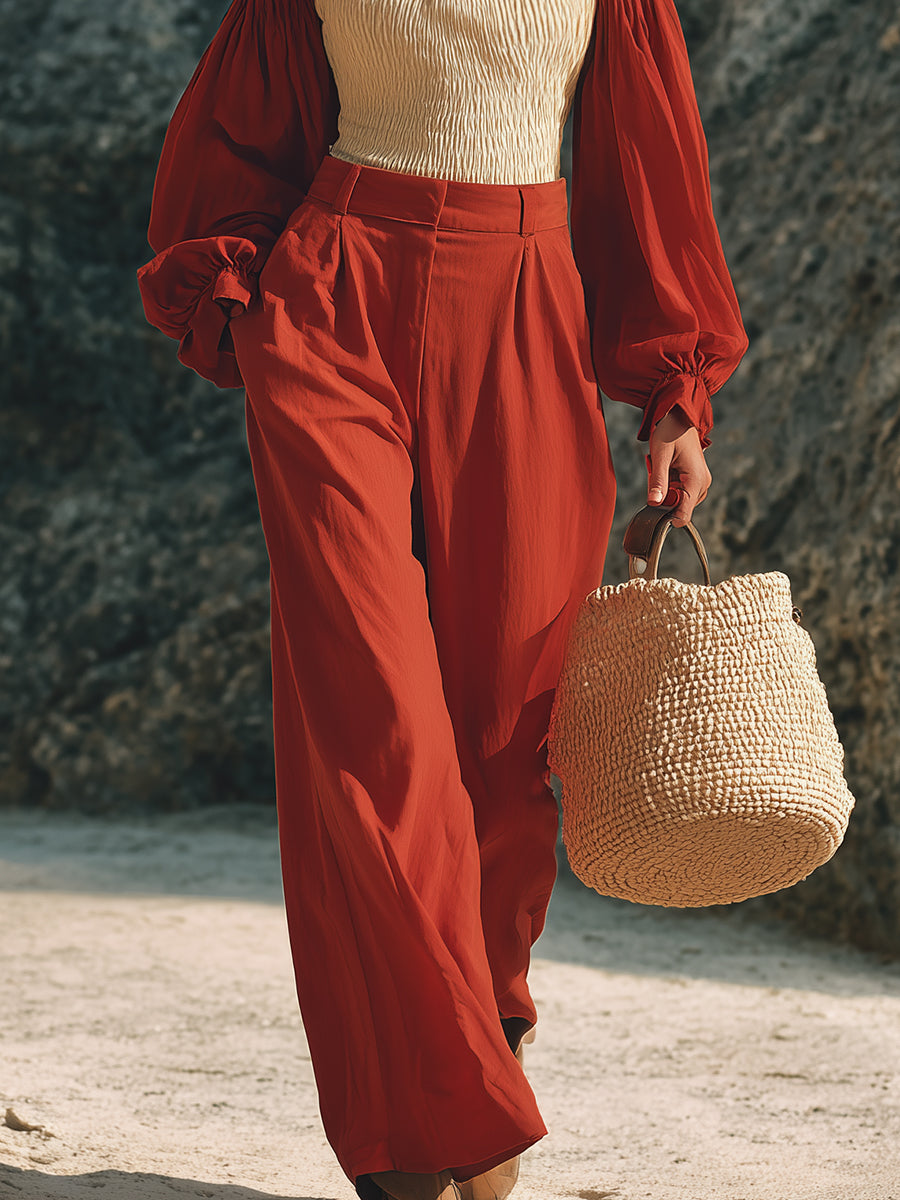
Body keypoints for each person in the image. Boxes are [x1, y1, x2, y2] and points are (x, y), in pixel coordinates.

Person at [136, 2, 748, 1200]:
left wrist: (676, 394)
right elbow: (243, 127)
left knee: (502, 744)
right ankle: (424, 1118)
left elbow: (644, 162)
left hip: (526, 300)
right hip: (331, 305)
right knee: (375, 725)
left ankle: (486, 1045)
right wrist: (244, 294)